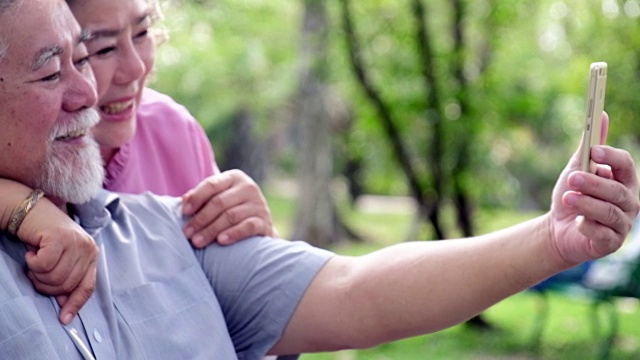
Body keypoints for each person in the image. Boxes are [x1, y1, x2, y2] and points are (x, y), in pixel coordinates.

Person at [1, 0, 639, 358]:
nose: (95, 88)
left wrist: (551, 241)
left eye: (84, 56)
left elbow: (356, 288)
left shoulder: (168, 221)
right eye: (55, 68)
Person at [0, 0, 279, 325]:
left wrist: (253, 241)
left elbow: (237, 314)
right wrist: (18, 205)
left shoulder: (170, 129)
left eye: (142, 31)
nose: (136, 68)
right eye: (101, 49)